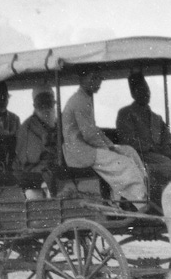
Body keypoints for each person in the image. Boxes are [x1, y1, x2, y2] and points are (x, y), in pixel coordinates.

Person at [62, 69, 149, 210]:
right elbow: (89, 134)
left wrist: (110, 146)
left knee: (129, 151)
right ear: (82, 80)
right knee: (124, 163)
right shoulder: (79, 101)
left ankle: (142, 192)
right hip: (80, 152)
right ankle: (139, 202)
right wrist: (107, 149)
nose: (98, 83)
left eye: (99, 78)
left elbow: (93, 130)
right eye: (93, 78)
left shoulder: (85, 98)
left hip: (88, 147)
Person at [116, 72, 171, 191]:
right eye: (141, 90)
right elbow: (128, 140)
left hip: (163, 151)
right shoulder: (126, 114)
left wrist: (167, 146)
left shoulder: (156, 118)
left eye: (147, 90)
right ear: (133, 93)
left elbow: (167, 136)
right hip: (142, 154)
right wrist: (151, 148)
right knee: (166, 163)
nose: (146, 93)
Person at [14, 83, 59, 194]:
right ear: (35, 105)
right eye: (41, 103)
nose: (45, 107)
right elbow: (27, 160)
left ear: (54, 103)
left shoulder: (60, 122)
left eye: (48, 103)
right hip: (34, 173)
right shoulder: (26, 128)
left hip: (58, 169)